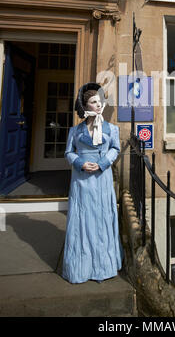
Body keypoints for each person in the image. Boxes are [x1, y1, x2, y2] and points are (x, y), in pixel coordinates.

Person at [62, 82, 123, 284]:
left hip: (102, 179)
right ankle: (81, 268)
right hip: (82, 181)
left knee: (102, 219)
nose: (98, 105)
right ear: (85, 105)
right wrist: (80, 163)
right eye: (93, 101)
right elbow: (68, 152)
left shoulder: (111, 128)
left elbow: (115, 149)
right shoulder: (75, 130)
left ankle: (104, 267)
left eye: (99, 101)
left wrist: (103, 163)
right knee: (82, 221)